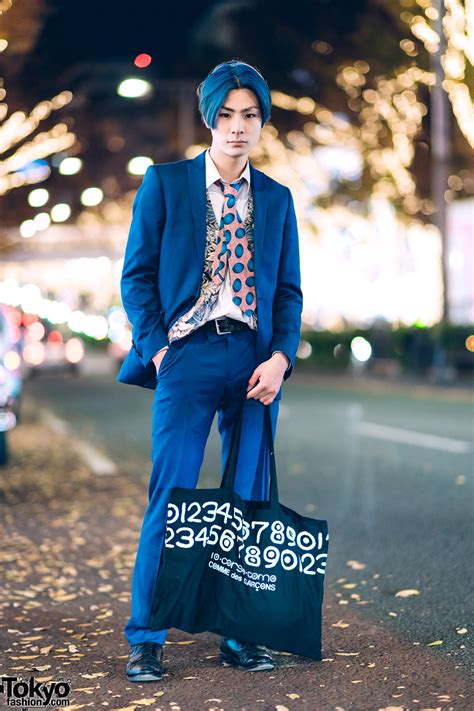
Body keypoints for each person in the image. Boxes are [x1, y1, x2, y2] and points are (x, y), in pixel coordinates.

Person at [118, 58, 302, 681]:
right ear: (208, 119)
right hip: (187, 355)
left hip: (256, 360)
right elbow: (137, 277)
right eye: (226, 115)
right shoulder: (165, 184)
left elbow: (288, 293)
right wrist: (159, 351)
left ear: (262, 122)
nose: (237, 128)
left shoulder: (276, 199)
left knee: (248, 502)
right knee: (170, 496)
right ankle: (146, 636)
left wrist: (281, 358)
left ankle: (240, 633)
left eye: (250, 116)